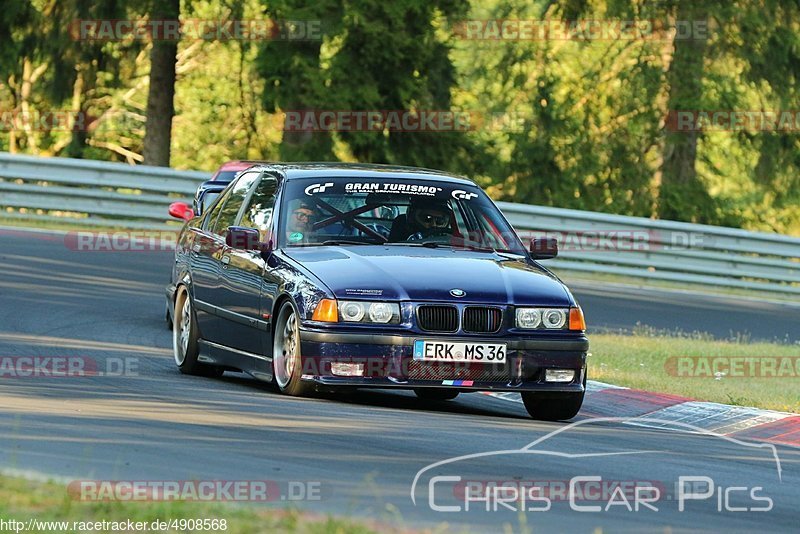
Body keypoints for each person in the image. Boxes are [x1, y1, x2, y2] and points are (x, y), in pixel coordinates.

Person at [388, 197, 453, 242]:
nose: (433, 224)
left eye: (440, 220)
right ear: (412, 218)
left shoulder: (457, 245)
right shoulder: (397, 243)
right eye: (427, 218)